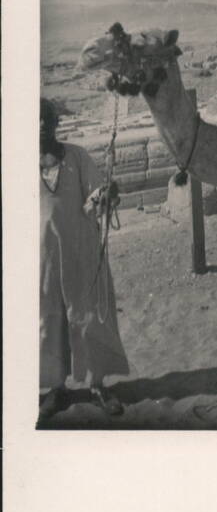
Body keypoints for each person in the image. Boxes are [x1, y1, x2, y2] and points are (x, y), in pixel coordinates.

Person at [39, 98, 129, 421]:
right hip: (43, 260)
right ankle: (55, 387)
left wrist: (106, 196)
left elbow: (95, 196)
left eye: (46, 120)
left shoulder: (76, 157)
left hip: (81, 252)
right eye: (34, 120)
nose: (40, 126)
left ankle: (98, 385)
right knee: (49, 320)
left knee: (90, 316)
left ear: (55, 124)